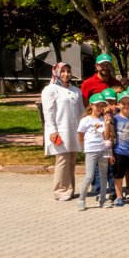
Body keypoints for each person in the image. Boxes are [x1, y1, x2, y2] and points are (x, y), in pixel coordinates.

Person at [42, 62, 82, 201]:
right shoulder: (50, 89)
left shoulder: (76, 90)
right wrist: (53, 131)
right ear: (56, 72)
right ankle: (60, 190)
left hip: (74, 130)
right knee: (62, 160)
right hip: (60, 130)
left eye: (68, 71)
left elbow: (81, 111)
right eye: (63, 71)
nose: (66, 74)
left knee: (71, 160)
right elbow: (48, 112)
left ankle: (70, 189)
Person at [76, 94, 111, 210]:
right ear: (91, 106)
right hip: (91, 150)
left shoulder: (103, 119)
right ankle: (81, 200)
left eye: (102, 106)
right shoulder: (85, 120)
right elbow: (80, 135)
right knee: (89, 176)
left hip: (102, 150)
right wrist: (84, 145)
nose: (100, 108)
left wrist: (107, 125)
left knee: (103, 175)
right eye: (97, 105)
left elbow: (106, 137)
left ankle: (102, 199)